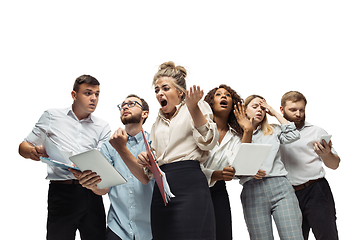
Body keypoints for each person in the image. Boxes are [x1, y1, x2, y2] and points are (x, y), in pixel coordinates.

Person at [115, 61, 219, 240]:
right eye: (156, 90)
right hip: (162, 188)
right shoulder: (156, 124)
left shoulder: (196, 108)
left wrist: (193, 107)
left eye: (165, 88)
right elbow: (147, 174)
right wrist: (148, 160)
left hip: (190, 184)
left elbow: (208, 141)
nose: (159, 93)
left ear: (180, 92)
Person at [18, 75, 111, 240]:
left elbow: (103, 162)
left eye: (97, 94)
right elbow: (23, 146)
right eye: (88, 93)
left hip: (91, 193)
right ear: (74, 95)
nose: (94, 98)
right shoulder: (51, 116)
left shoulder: (102, 126)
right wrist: (31, 152)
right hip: (62, 192)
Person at [70, 94, 154, 240]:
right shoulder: (109, 146)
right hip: (118, 228)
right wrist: (91, 184)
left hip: (150, 228)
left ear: (145, 114)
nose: (125, 107)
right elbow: (104, 188)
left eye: (132, 103)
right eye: (122, 105)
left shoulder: (154, 142)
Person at [240, 94, 304, 240]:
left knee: (293, 236)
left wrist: (274, 112)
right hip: (252, 191)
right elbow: (234, 168)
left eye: (263, 108)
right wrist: (249, 170)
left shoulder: (273, 130)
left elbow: (294, 135)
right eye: (255, 107)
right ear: (245, 110)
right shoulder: (236, 134)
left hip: (280, 187)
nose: (260, 110)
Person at [279, 91, 340, 240]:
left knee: (327, 236)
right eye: (293, 110)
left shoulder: (316, 131)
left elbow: (335, 164)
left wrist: (326, 154)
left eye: (301, 110)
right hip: (288, 195)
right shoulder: (274, 133)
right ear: (282, 110)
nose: (298, 114)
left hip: (316, 191)